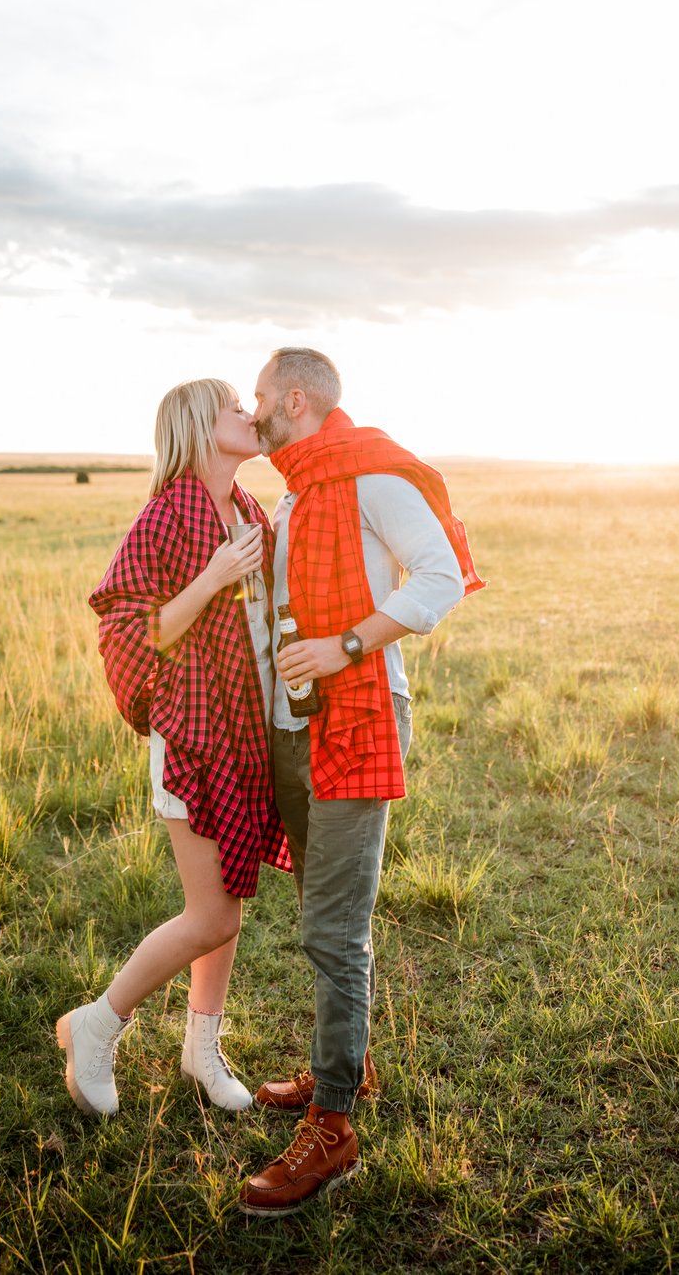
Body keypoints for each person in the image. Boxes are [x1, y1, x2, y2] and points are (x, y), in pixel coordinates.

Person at [237, 347, 484, 1218]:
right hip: (294, 729)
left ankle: (334, 1126)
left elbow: (442, 580)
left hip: (360, 715)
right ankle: (348, 1062)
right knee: (318, 910)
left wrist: (347, 645)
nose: (252, 405)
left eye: (260, 395)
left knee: (334, 932)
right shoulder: (298, 490)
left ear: (294, 400)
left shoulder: (371, 478)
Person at [56, 379, 289, 1118]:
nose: (249, 414)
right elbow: (133, 627)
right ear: (197, 426)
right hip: (194, 732)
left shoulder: (247, 507)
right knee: (211, 915)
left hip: (246, 732)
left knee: (233, 900)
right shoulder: (169, 512)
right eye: (233, 407)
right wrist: (215, 576)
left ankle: (200, 1047)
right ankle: (98, 1024)